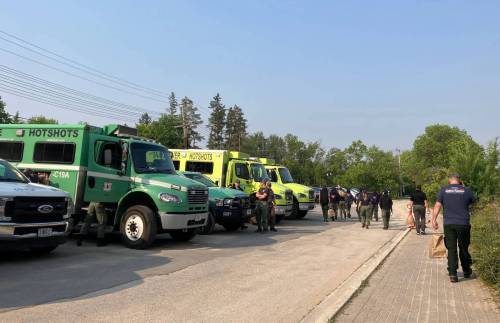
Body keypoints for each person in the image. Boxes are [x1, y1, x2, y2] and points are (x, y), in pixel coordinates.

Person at [431, 174, 476, 283]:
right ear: (459, 180)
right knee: (464, 247)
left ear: (449, 181)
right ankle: (466, 271)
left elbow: (437, 205)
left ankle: (453, 274)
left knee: (451, 249)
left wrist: (433, 219)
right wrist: (464, 188)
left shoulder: (443, 190)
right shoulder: (467, 190)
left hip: (449, 224)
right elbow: (473, 202)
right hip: (463, 224)